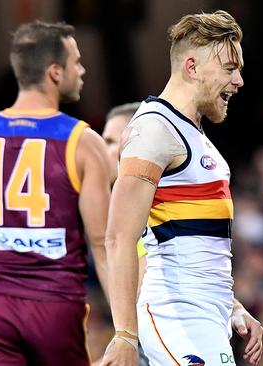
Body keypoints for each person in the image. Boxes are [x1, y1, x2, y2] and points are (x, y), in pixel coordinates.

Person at [0, 21, 111, 365]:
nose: (83, 69)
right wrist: (126, 332)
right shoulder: (83, 142)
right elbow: (103, 245)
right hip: (57, 311)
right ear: (55, 72)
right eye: (77, 61)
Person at [100, 10, 263, 366]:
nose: (239, 81)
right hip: (177, 313)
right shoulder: (155, 129)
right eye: (230, 68)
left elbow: (197, 242)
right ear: (192, 67)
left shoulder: (195, 135)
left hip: (207, 312)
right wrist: (125, 335)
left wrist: (232, 305)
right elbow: (119, 237)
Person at [102, 102, 150, 366]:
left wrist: (126, 336)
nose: (101, 150)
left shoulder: (151, 199)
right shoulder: (116, 202)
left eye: (110, 141)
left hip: (159, 342)